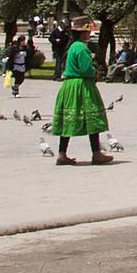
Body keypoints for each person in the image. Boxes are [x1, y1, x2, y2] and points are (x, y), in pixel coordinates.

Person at [52, 17, 112, 165]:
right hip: (82, 85)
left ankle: (62, 153)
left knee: (69, 119)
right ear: (83, 32)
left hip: (69, 85)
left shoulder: (72, 46)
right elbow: (86, 69)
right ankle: (96, 153)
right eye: (87, 31)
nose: (89, 33)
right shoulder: (82, 48)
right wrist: (95, 72)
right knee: (92, 117)